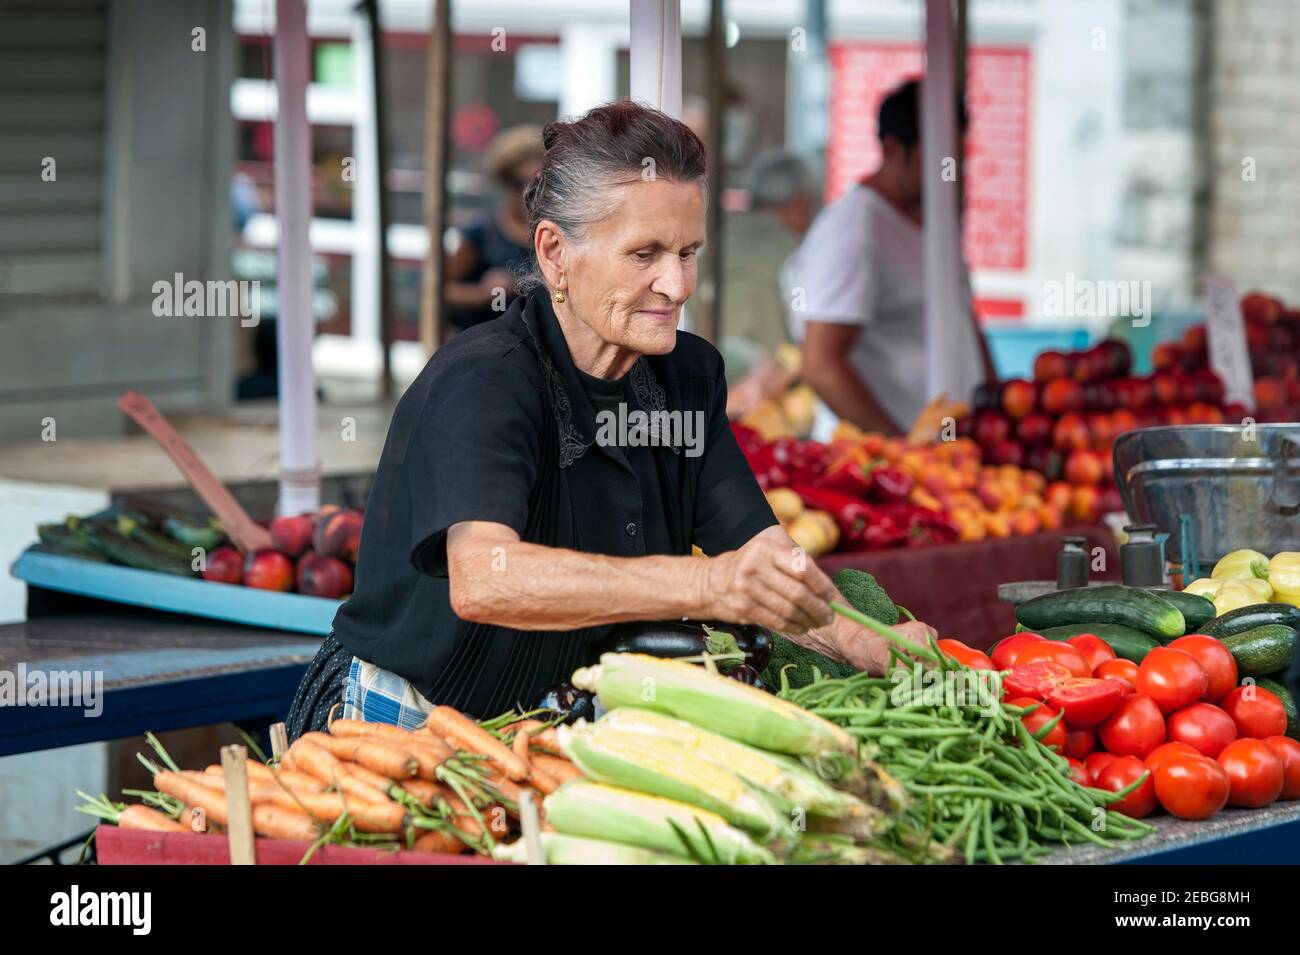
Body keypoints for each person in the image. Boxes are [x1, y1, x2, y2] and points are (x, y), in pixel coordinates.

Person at [285, 101, 935, 735]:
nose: (677, 285)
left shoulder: (687, 377)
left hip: (545, 726)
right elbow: (485, 578)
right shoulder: (488, 379)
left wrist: (863, 642)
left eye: (688, 252)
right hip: (395, 729)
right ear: (554, 253)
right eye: (645, 254)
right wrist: (706, 582)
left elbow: (760, 551)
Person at [782, 78, 995, 436]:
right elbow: (821, 365)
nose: (951, 172)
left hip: (957, 455)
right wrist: (900, 451)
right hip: (893, 468)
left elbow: (964, 321)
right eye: (940, 160)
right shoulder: (853, 230)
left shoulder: (935, 223)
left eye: (956, 158)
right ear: (894, 149)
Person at [719, 150, 817, 364]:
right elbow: (809, 339)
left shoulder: (710, 250)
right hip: (775, 391)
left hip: (707, 385)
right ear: (799, 203)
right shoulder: (799, 257)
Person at [443, 125, 544, 334]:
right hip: (483, 346)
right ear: (506, 184)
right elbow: (442, 290)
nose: (528, 194)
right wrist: (481, 294)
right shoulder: (482, 234)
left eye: (537, 185)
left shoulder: (556, 238)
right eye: (520, 184)